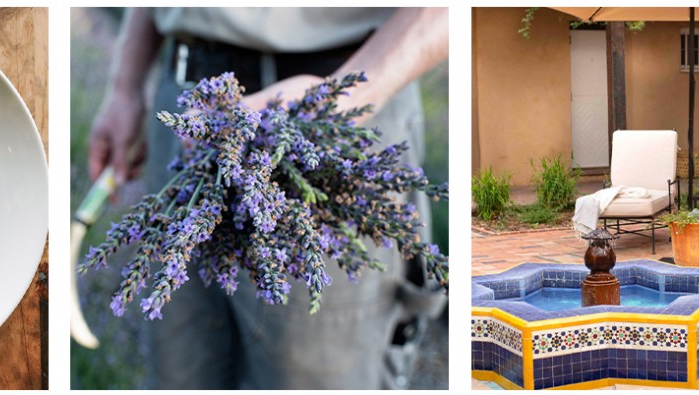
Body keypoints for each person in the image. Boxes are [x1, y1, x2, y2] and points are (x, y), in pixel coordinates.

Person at [86, 7, 448, 390]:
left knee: (313, 377)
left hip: (329, 111)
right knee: (179, 374)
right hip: (188, 110)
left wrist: (343, 96)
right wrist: (125, 84)